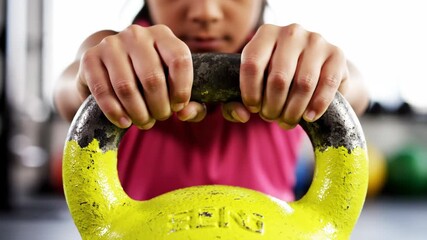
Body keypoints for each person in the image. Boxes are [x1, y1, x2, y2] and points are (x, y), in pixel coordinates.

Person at [53, 0, 369, 202]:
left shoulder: (285, 63)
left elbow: (355, 90)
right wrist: (93, 73)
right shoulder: (121, 56)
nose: (206, 12)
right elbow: (69, 88)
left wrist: (331, 77)